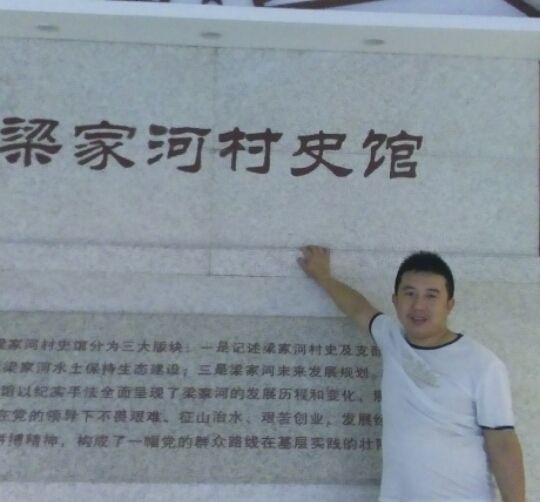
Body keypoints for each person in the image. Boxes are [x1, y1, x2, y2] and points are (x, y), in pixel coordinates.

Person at [298, 245, 525, 502]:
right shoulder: (392, 340)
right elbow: (358, 309)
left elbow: (502, 443)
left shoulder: (483, 364)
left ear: (449, 304)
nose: (419, 305)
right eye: (410, 294)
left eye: (431, 296)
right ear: (395, 301)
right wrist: (324, 277)